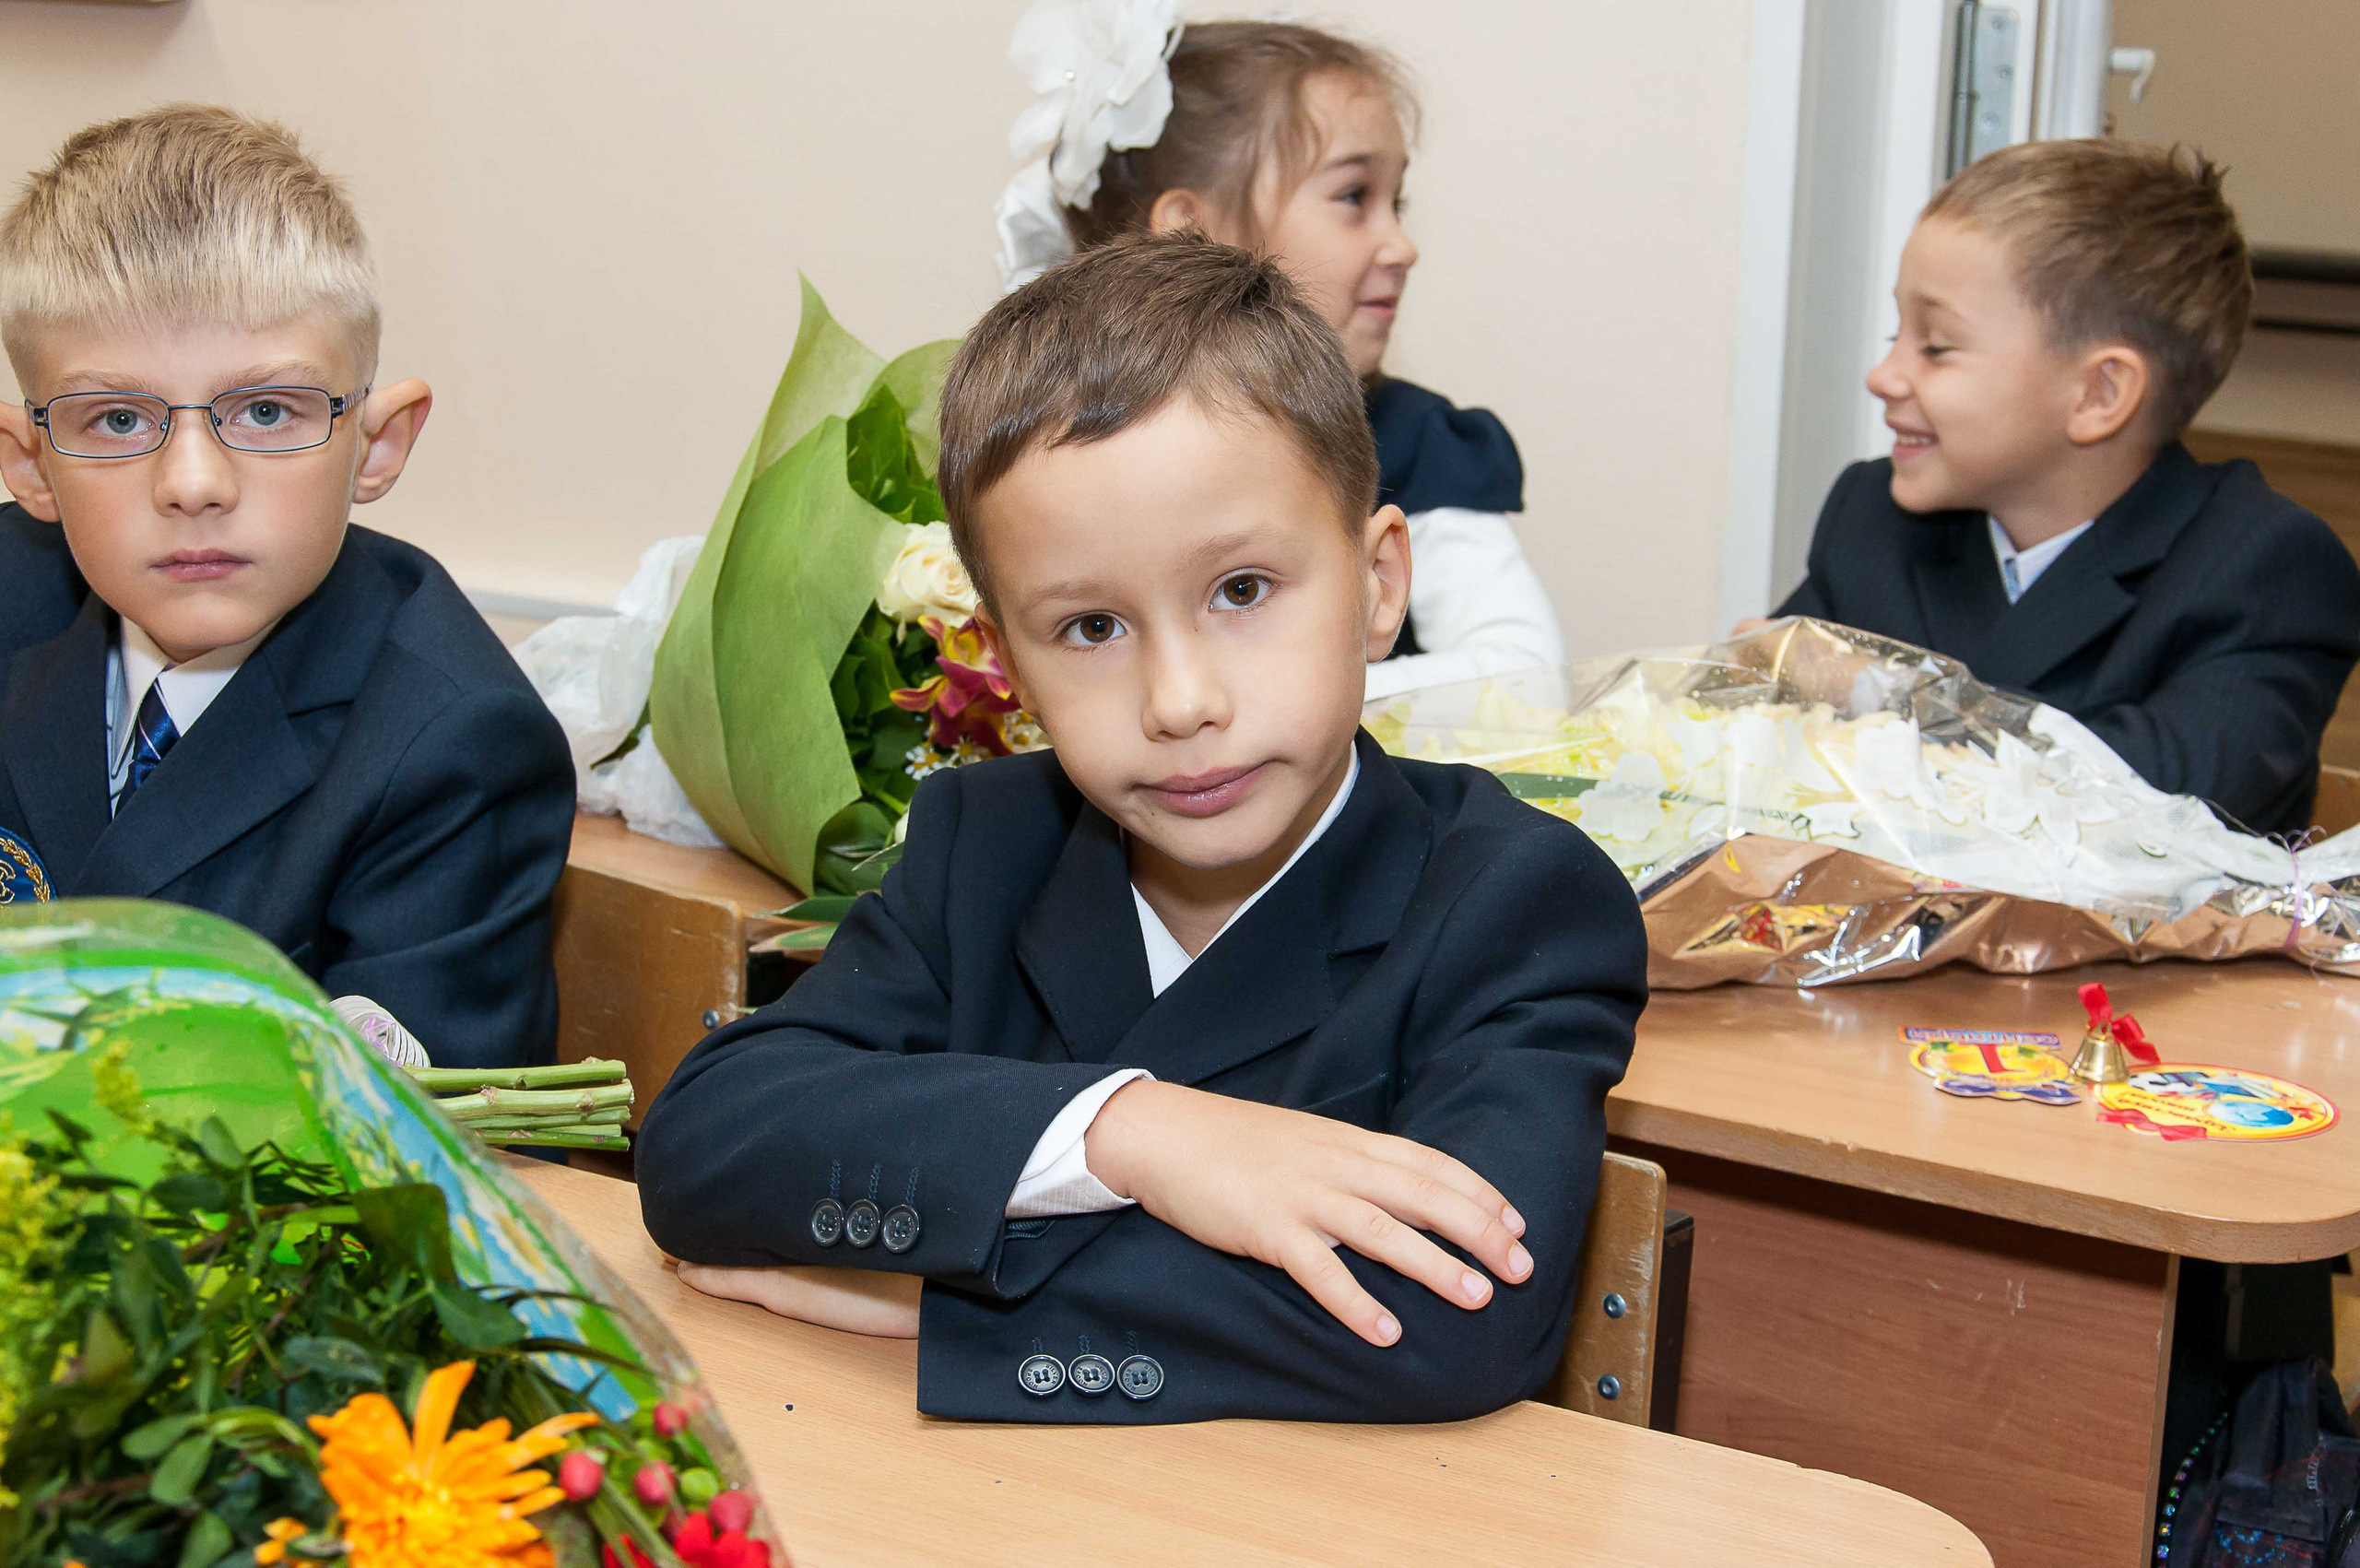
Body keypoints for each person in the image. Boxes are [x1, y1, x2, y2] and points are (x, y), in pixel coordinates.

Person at [636, 233, 1646, 1424]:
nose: (1179, 702)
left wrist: (951, 1296)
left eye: (1241, 591)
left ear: (1379, 585)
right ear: (1009, 665)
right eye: (1091, 628)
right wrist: (1127, 1130)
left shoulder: (1515, 899)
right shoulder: (986, 848)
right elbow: (704, 1144)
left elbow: (1450, 1318)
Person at [0, 106, 573, 1068]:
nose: (193, 484)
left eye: (266, 410)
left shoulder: (452, 744)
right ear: (31, 464)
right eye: (116, 420)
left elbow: (412, 1141)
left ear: (376, 445)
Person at [1764, 139, 2360, 836]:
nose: (1883, 376)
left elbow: (2148, 802)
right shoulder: (1873, 517)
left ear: (2099, 394)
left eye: (1936, 346)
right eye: (1896, 334)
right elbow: (1752, 717)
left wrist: (1878, 689)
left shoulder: (2264, 568)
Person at [995, 11, 1563, 701]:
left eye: (1398, 203)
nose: (1402, 246)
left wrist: (1278, 700)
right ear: (1192, 231)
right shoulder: (1054, 464)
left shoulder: (1418, 441)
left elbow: (1524, 676)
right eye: (1353, 197)